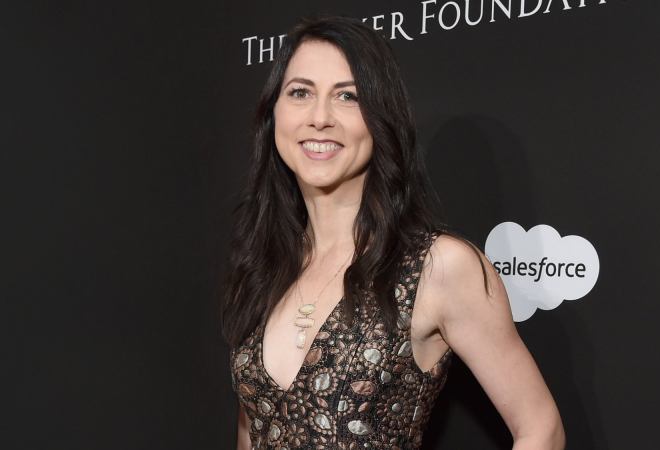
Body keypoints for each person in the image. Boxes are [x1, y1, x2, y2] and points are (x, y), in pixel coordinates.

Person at [221, 15, 565, 450]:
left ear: (380, 116)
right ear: (274, 112)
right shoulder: (265, 264)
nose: (319, 117)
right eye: (300, 92)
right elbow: (251, 429)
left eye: (348, 96)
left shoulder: (437, 266)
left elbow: (541, 428)